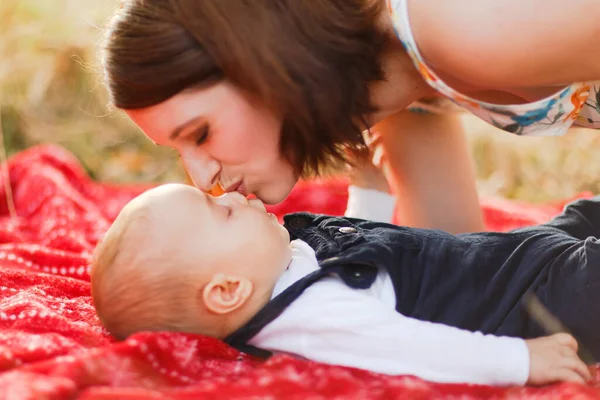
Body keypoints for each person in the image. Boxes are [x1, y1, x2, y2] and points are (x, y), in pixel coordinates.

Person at [100, 0, 599, 233]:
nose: (204, 179)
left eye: (201, 134)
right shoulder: (401, 86)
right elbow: (463, 258)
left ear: (262, 63)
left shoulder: (461, 27)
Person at [91, 182, 600, 387]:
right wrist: (519, 361)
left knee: (583, 214)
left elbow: (364, 250)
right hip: (527, 301)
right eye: (223, 213)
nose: (237, 198)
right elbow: (407, 346)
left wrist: (369, 188)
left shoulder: (282, 264)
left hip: (518, 255)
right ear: (228, 290)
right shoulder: (307, 317)